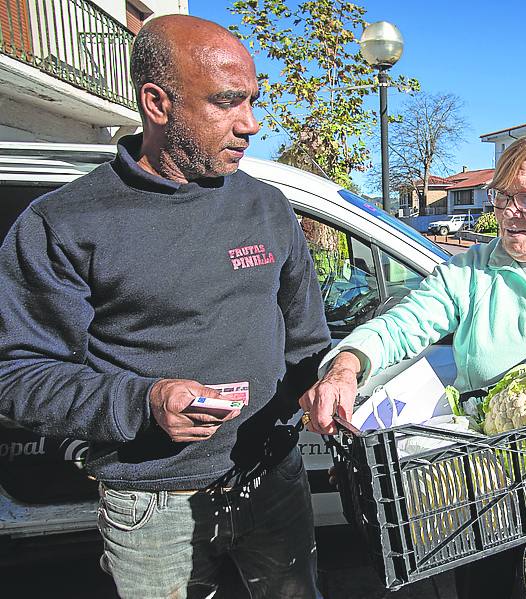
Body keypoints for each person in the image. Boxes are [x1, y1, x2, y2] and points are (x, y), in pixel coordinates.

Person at [0, 15, 330, 599]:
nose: (250, 124)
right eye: (227, 103)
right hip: (153, 505)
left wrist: (334, 381)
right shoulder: (63, 223)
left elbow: (307, 343)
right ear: (158, 102)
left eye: (252, 101)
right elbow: (19, 374)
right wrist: (144, 402)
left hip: (273, 481)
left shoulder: (268, 208)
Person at [298, 130, 526, 599]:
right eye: (502, 195)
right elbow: (401, 325)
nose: (508, 211)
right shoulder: (468, 272)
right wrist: (346, 365)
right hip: (489, 486)